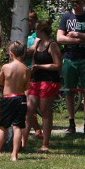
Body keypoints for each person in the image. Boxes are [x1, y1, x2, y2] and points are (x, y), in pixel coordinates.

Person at [57, 0, 85, 136]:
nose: (75, 4)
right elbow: (59, 38)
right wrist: (77, 41)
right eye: (73, 1)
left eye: (77, 1)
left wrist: (78, 34)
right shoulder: (66, 17)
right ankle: (71, 123)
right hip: (70, 58)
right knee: (69, 91)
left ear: (83, 1)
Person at [25, 20, 62, 152]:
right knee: (29, 110)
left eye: (36, 30)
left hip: (49, 80)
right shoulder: (38, 43)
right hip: (36, 80)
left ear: (42, 31)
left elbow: (58, 65)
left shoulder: (52, 45)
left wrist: (40, 66)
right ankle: (23, 142)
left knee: (45, 111)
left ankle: (45, 143)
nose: (35, 32)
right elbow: (34, 60)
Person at [0, 41, 31, 162]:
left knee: (2, 127)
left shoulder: (6, 67)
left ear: (11, 54)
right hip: (21, 98)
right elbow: (26, 86)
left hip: (8, 97)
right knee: (18, 127)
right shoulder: (26, 69)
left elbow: (0, 81)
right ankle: (14, 154)